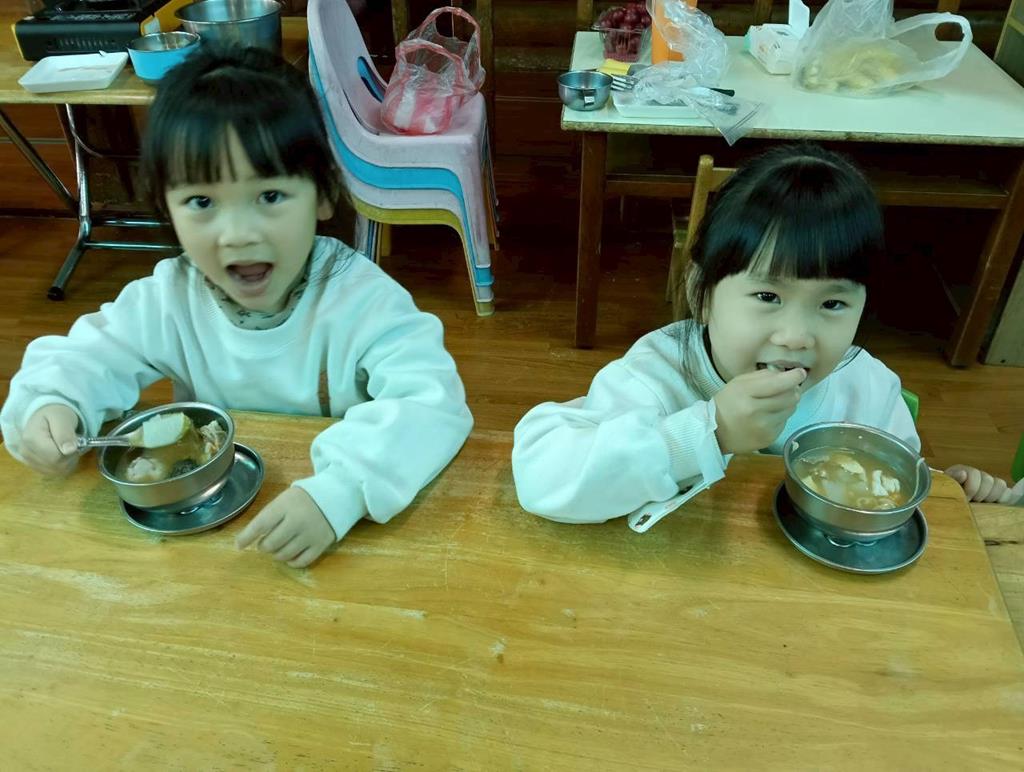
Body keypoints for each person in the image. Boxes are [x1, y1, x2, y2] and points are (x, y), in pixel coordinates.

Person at [0, 46, 473, 566]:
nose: (239, 234)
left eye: (269, 196)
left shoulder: (362, 301)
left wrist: (342, 491)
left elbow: (432, 403)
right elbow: (86, 358)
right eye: (202, 202)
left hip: (339, 538)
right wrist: (53, 404)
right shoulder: (170, 298)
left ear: (322, 195)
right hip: (201, 542)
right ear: (167, 211)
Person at [512, 143, 1004, 524]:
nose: (796, 336)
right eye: (768, 296)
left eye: (832, 304)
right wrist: (707, 433)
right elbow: (543, 479)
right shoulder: (656, 376)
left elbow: (889, 489)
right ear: (704, 293)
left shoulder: (867, 390)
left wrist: (948, 491)